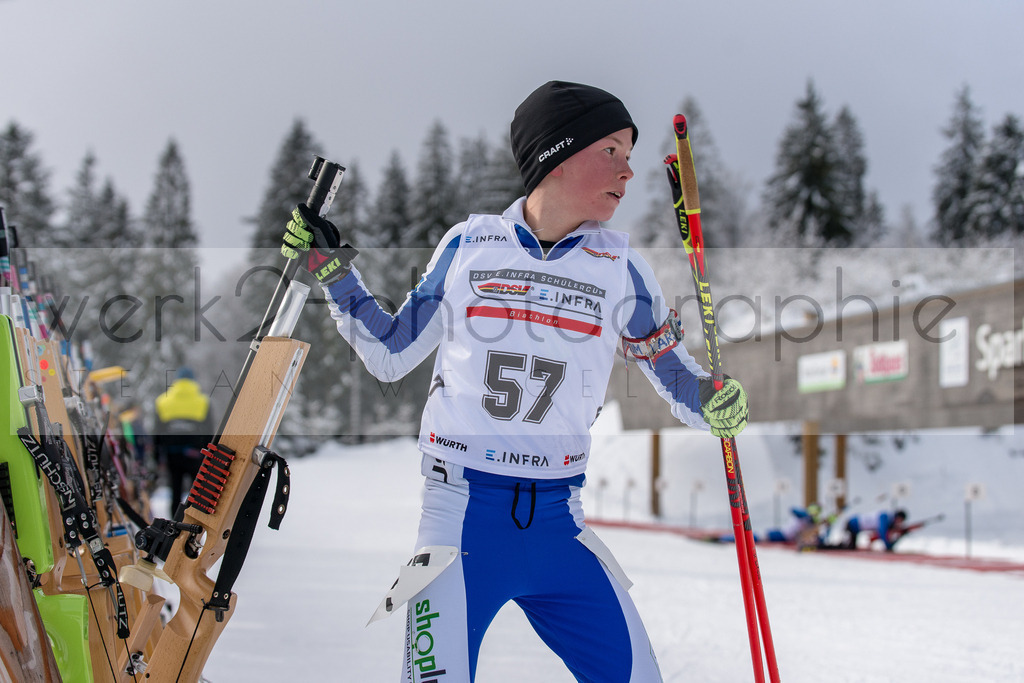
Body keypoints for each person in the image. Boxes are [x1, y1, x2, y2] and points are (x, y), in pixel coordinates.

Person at [282, 80, 749, 682]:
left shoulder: (622, 268)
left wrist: (713, 402)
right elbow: (393, 352)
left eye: (630, 155)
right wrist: (332, 271)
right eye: (611, 151)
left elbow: (675, 376)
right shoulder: (469, 247)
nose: (628, 171)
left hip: (560, 523)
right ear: (556, 154)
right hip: (459, 520)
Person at [153, 367, 213, 516]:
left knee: (175, 491)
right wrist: (209, 453)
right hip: (196, 454)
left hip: (172, 455)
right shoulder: (203, 401)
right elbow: (209, 431)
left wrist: (157, 455)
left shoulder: (163, 401)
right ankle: (197, 520)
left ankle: (174, 522)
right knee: (198, 491)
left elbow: (157, 433)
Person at [840, 509, 908, 552]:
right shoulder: (885, 517)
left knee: (851, 547)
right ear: (897, 517)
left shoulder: (888, 519)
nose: (899, 523)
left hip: (855, 524)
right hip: (853, 524)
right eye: (900, 520)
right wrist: (888, 546)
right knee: (849, 548)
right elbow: (882, 532)